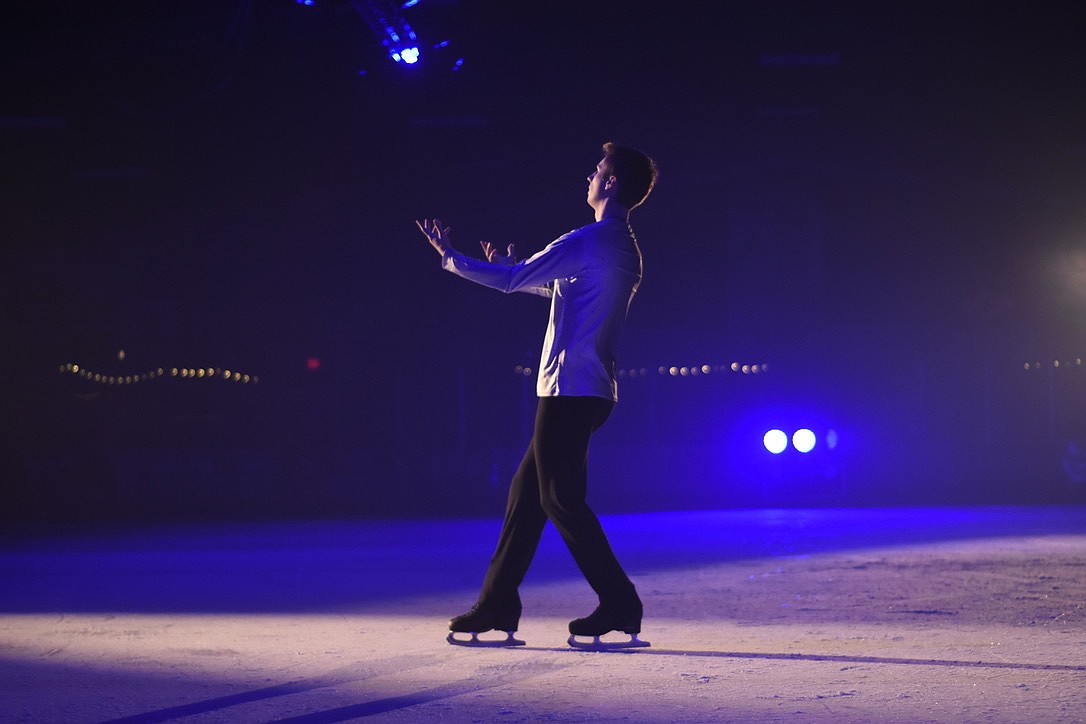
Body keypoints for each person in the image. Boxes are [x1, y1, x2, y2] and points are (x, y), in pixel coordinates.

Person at [416, 142, 658, 644]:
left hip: (569, 388)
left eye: (598, 170)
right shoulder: (620, 245)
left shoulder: (590, 239)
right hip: (590, 389)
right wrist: (518, 270)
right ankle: (497, 603)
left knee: (559, 499)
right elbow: (554, 288)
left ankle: (619, 601)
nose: (589, 176)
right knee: (528, 496)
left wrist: (451, 258)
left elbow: (511, 282)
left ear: (611, 184)